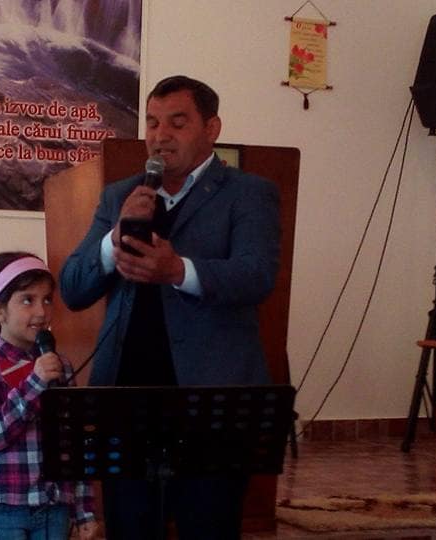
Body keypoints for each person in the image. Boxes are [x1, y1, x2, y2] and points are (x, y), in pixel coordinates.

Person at [59, 76, 282, 539]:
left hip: (212, 403)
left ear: (211, 128)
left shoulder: (248, 193)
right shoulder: (120, 196)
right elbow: (74, 287)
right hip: (127, 401)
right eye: (153, 123)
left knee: (209, 527)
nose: (160, 136)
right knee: (130, 527)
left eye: (177, 123)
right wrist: (113, 238)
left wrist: (178, 270)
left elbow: (256, 275)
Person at [0, 252, 98, 540]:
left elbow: (74, 442)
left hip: (53, 505)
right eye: (28, 300)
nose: (42, 311)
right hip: (2, 506)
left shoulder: (60, 365)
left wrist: (84, 511)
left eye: (47, 300)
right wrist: (35, 382)